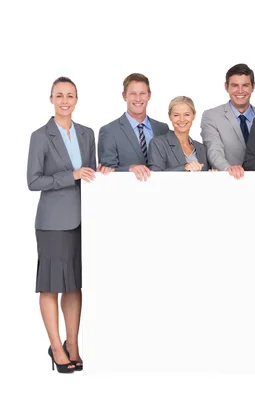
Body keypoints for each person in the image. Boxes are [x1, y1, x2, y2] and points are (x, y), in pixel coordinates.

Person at [27, 77, 113, 373]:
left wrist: (100, 171)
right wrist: (71, 175)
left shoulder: (87, 134)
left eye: (70, 95)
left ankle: (72, 345)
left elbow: (88, 174)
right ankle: (55, 347)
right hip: (53, 223)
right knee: (51, 286)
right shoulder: (41, 136)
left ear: (77, 99)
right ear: (51, 99)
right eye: (59, 95)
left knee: (75, 285)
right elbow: (33, 180)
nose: (65, 100)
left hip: (85, 219)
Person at [98, 73, 169, 180]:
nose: (138, 99)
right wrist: (129, 169)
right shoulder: (109, 131)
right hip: (126, 193)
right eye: (132, 94)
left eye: (142, 93)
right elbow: (106, 172)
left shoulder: (163, 129)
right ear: (124, 96)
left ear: (149, 95)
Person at [201, 64, 255, 179]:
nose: (240, 91)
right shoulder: (211, 116)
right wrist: (229, 169)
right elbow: (214, 150)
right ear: (226, 87)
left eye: (245, 85)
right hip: (229, 180)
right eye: (235, 85)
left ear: (253, 87)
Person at [149, 96, 209, 171]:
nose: (182, 119)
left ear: (194, 115)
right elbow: (155, 176)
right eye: (176, 115)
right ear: (170, 116)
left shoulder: (202, 148)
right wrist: (184, 168)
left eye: (187, 114)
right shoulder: (158, 144)